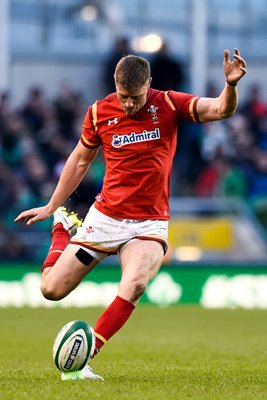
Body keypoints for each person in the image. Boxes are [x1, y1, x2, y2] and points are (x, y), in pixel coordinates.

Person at [15, 48, 247, 381]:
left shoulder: (167, 103)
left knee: (135, 284)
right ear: (115, 84)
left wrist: (231, 86)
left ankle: (83, 359)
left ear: (148, 84)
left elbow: (220, 109)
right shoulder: (98, 112)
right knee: (51, 289)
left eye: (135, 97)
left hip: (149, 222)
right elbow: (80, 160)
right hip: (105, 218)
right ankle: (62, 228)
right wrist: (53, 206)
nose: (128, 104)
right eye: (123, 96)